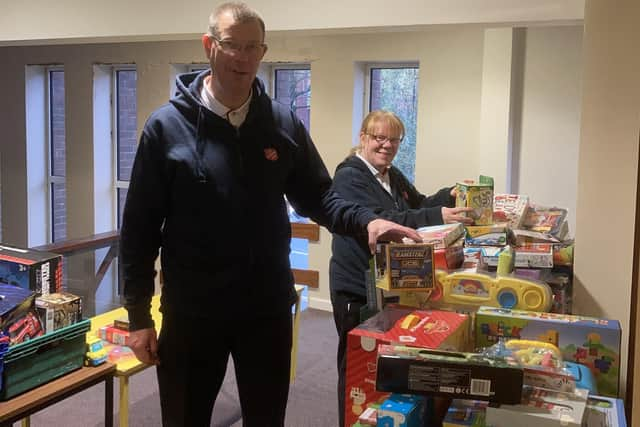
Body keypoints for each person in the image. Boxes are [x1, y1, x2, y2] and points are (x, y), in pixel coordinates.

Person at [119, 4, 421, 427]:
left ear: (263, 52)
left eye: (251, 48)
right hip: (193, 314)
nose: (242, 58)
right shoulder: (166, 127)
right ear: (209, 47)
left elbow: (320, 197)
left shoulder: (281, 123)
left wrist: (366, 221)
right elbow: (138, 229)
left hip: (266, 311)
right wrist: (137, 317)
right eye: (230, 46)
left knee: (266, 419)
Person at [329, 110, 473, 427]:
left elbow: (416, 204)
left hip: (387, 284)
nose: (387, 145)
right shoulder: (350, 176)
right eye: (380, 138)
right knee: (355, 360)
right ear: (363, 138)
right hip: (356, 284)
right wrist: (439, 214)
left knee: (382, 360)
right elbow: (383, 219)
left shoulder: (390, 175)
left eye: (394, 140)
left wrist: (448, 194)